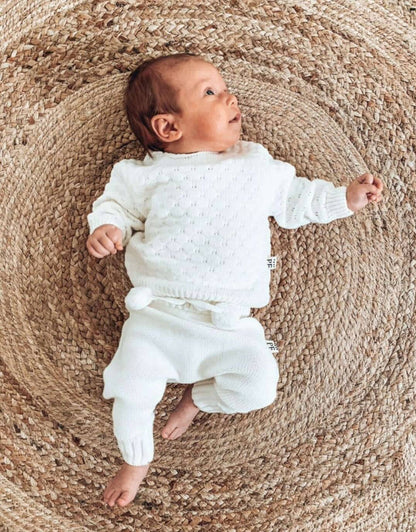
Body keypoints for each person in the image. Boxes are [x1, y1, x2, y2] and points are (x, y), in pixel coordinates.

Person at [86, 53, 384, 508]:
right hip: (157, 317)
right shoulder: (141, 176)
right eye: (210, 92)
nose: (230, 97)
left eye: (224, 88)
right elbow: (115, 207)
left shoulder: (254, 165)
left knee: (258, 386)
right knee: (131, 389)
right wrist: (107, 228)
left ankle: (197, 399)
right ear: (168, 127)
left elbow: (297, 199)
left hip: (229, 323)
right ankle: (135, 460)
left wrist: (345, 198)